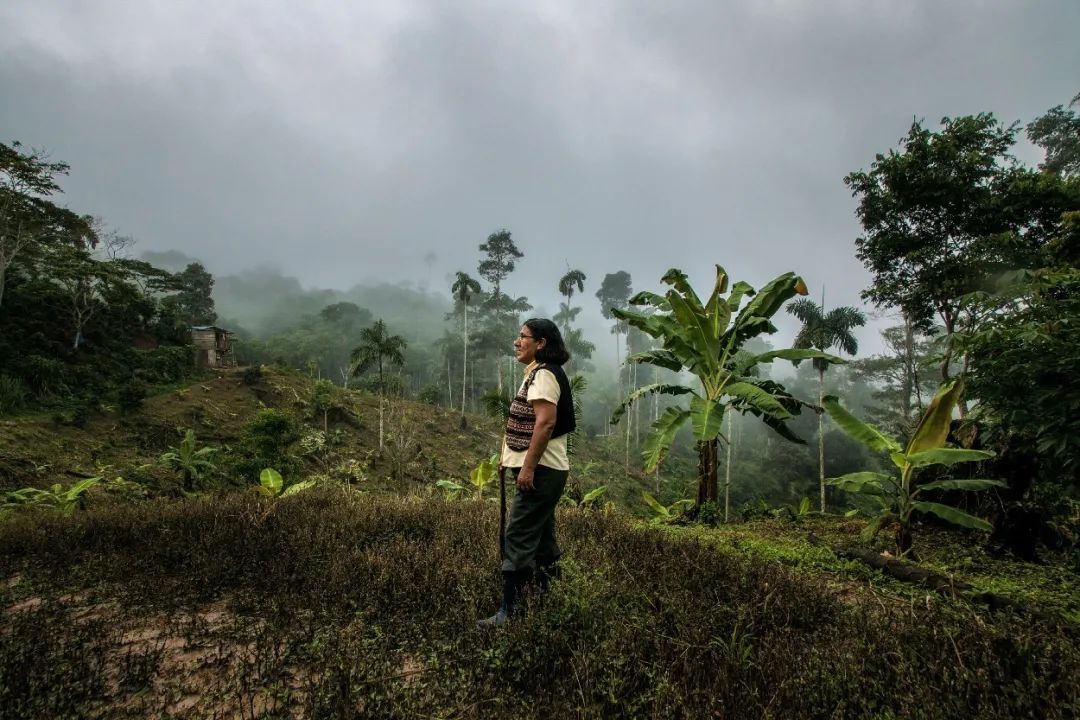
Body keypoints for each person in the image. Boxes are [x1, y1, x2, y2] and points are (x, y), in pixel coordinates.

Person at [477, 318, 575, 628]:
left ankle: (510, 612)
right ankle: (548, 600)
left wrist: (528, 467)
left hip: (542, 471)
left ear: (541, 343)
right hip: (544, 469)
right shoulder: (535, 374)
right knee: (543, 538)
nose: (517, 342)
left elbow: (545, 423)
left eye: (524, 337)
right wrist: (510, 458)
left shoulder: (544, 375)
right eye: (518, 337)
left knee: (517, 534)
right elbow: (529, 425)